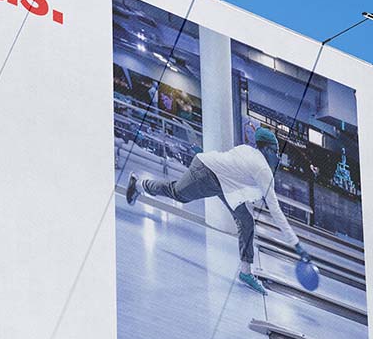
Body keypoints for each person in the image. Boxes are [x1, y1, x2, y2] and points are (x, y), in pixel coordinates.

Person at [125, 126, 311, 295]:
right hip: (206, 173)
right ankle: (138, 184)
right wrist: (295, 244)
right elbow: (275, 209)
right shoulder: (262, 168)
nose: (278, 157)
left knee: (246, 222)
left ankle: (246, 272)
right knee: (178, 194)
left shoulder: (247, 150)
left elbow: (230, 164)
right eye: (276, 152)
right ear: (267, 149)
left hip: (224, 184)